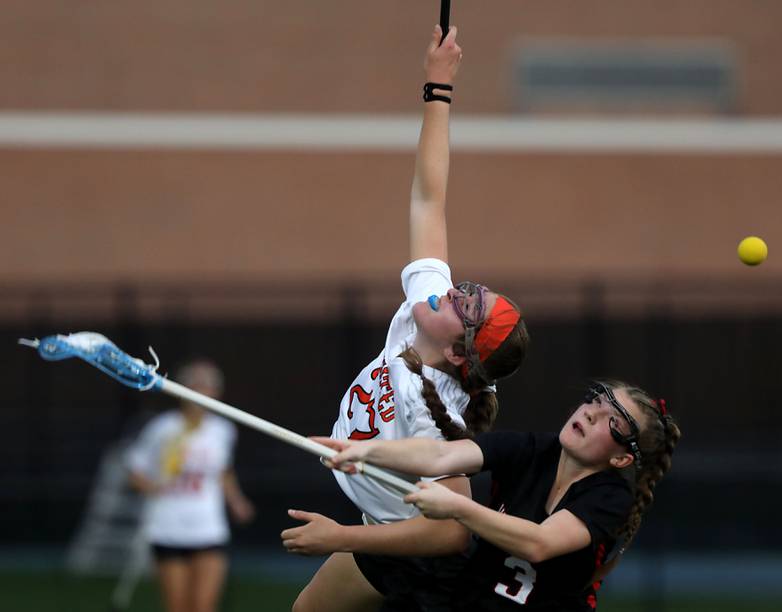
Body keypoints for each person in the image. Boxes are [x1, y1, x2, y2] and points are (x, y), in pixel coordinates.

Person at [282, 24, 529, 612]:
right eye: (471, 292)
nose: (457, 292)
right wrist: (438, 86)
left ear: (460, 354)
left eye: (467, 309)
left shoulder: (438, 413)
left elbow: (451, 530)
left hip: (426, 560)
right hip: (382, 524)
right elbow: (429, 195)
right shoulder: (428, 308)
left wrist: (339, 538)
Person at [317, 380, 680, 611]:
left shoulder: (610, 497)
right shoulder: (532, 449)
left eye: (613, 422)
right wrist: (363, 451)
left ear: (621, 458)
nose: (591, 412)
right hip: (477, 593)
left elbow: (538, 543)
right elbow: (441, 455)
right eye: (595, 400)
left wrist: (458, 508)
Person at [126, 359, 255, 612]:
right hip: (167, 526)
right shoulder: (162, 428)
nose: (201, 390)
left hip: (208, 527)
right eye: (195, 384)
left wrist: (236, 501)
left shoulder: (223, 430)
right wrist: (152, 487)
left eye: (208, 385)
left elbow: (223, 471)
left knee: (204, 606)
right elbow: (135, 469)